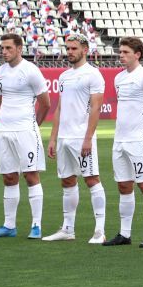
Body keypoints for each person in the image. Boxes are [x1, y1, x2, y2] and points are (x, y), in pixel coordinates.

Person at [42, 33, 107, 244]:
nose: (69, 52)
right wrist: (53, 138)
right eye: (67, 48)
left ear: (85, 50)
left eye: (73, 48)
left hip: (81, 137)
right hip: (64, 138)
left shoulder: (93, 74)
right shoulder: (64, 76)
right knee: (67, 180)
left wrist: (88, 138)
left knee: (91, 179)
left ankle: (100, 230)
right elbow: (60, 108)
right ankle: (68, 229)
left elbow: (96, 108)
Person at [0, 34, 51, 239]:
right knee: (9, 176)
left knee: (31, 175)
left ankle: (36, 226)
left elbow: (45, 103)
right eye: (2, 48)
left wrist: (32, 125)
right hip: (5, 130)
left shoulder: (31, 71)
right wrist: (8, 120)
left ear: (19, 49)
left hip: (26, 130)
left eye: (8, 48)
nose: (4, 51)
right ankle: (9, 225)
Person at [102, 37, 143, 249]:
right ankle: (124, 233)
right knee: (124, 185)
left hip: (139, 139)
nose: (121, 55)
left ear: (137, 54)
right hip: (120, 139)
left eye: (126, 52)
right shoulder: (118, 78)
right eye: (120, 52)